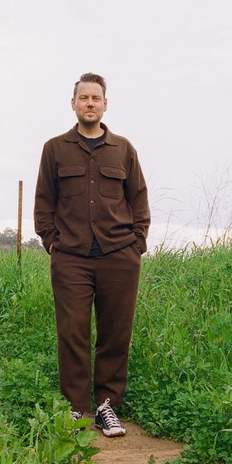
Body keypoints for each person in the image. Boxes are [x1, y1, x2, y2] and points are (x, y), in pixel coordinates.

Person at [34, 72, 150, 437]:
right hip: (71, 256)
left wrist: (137, 244)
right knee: (72, 331)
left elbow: (139, 198)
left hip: (119, 255)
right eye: (83, 98)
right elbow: (43, 202)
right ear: (73, 104)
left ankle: (106, 406)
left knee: (116, 332)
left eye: (95, 98)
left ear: (104, 104)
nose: (89, 103)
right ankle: (75, 408)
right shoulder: (54, 149)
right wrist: (51, 242)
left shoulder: (123, 149)